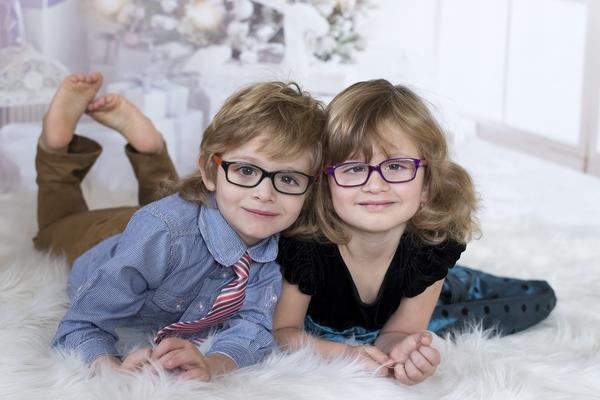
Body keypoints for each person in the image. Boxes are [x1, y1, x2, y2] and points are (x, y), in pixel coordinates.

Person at [36, 73, 325, 380]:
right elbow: (81, 324)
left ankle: (150, 151)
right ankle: (58, 147)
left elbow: (253, 329)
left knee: (170, 204)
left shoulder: (280, 245)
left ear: (310, 190)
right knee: (57, 225)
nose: (265, 194)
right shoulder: (162, 231)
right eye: (245, 170)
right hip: (104, 236)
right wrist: (113, 371)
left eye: (288, 179)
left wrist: (212, 365)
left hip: (187, 219)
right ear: (209, 171)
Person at [274, 79, 556, 385]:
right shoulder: (305, 248)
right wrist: (346, 354)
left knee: (537, 299)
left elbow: (398, 332)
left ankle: (457, 279)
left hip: (424, 283)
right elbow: (283, 332)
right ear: (326, 186)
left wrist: (403, 352)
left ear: (427, 186)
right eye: (354, 168)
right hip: (370, 306)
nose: (375, 185)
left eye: (396, 166)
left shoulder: (429, 250)